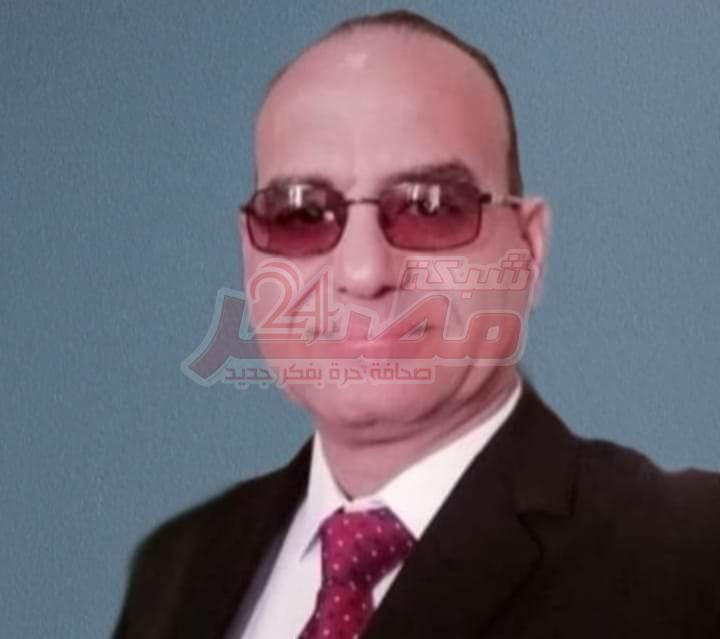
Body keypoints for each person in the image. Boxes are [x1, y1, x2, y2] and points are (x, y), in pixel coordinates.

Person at [112, 10, 720, 639]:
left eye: (430, 207)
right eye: (300, 215)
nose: (363, 272)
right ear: (250, 252)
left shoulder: (693, 555)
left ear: (529, 252)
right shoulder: (176, 570)